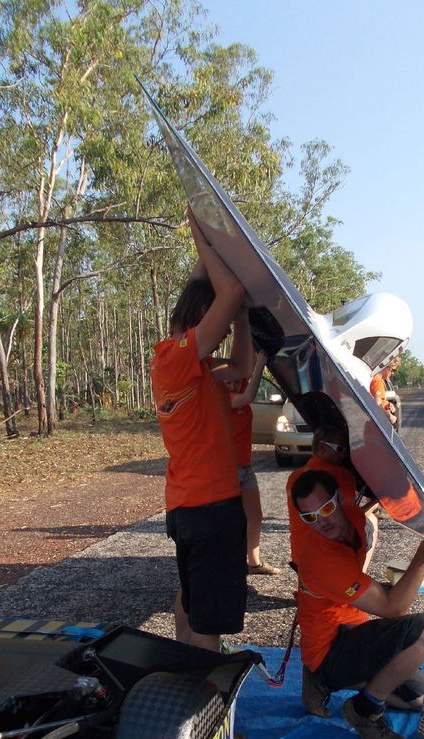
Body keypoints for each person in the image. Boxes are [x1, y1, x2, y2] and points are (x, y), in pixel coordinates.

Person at [151, 208, 252, 653]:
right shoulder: (174, 356)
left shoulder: (192, 370)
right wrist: (200, 234)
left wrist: (243, 315)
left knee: (191, 603)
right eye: (220, 323)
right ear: (200, 320)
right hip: (209, 509)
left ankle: (181, 667)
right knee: (207, 623)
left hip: (193, 507)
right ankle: (204, 706)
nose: (223, 330)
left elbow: (244, 366)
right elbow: (226, 291)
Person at [289, 468, 424, 739]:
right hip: (329, 649)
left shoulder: (356, 518)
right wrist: (423, 554)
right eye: (309, 517)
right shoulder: (322, 560)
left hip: (352, 627)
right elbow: (392, 608)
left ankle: (360, 688)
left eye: (326, 508)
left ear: (339, 499)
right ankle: (362, 709)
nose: (321, 521)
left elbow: (384, 503)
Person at [286, 424, 374, 568]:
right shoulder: (341, 475)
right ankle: (358, 575)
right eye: (340, 449)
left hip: (300, 557)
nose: (343, 455)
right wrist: (376, 502)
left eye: (345, 450)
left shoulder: (294, 477)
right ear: (322, 447)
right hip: (330, 558)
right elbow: (351, 517)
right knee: (371, 521)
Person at [226, 351, 280, 575]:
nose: (233, 383)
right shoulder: (224, 399)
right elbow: (248, 396)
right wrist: (261, 363)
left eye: (236, 379)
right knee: (229, 520)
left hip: (244, 469)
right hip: (228, 470)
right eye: (227, 380)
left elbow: (242, 365)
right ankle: (228, 563)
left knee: (255, 516)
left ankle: (253, 562)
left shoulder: (240, 386)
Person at [370, 358, 399, 426]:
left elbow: (379, 401)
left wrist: (387, 403)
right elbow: (377, 406)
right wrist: (391, 417)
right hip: (381, 423)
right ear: (385, 367)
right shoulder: (378, 382)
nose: (392, 373)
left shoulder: (376, 379)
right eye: (392, 370)